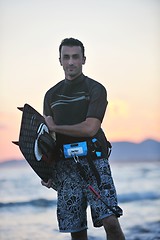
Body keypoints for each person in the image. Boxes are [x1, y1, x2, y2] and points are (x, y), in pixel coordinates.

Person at [41, 37, 125, 240]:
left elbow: (90, 128)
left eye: (75, 57)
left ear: (83, 59)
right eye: (66, 57)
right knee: (77, 232)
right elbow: (47, 139)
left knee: (111, 222)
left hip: (94, 163)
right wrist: (45, 171)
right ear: (59, 60)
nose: (71, 62)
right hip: (65, 168)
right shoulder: (51, 95)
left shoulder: (96, 89)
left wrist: (56, 126)